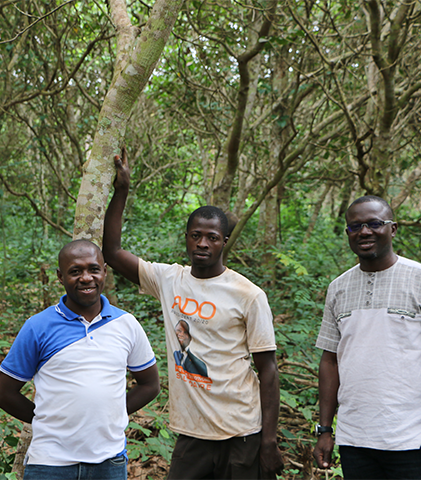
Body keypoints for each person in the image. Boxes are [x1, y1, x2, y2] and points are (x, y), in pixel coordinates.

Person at [102, 148, 284, 479]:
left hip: (242, 431)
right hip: (193, 433)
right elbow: (112, 253)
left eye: (212, 238)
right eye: (196, 235)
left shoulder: (248, 294)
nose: (202, 243)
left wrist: (268, 442)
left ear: (224, 242)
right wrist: (122, 190)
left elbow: (268, 371)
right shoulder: (168, 279)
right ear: (186, 239)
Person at [313, 195, 421, 479]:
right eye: (355, 226)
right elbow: (330, 361)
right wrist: (325, 430)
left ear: (393, 229)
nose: (364, 232)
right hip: (354, 440)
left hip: (413, 439)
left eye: (374, 223)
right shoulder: (338, 288)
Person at [0, 239, 160, 480]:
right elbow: (3, 394)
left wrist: (111, 413)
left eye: (93, 269)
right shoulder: (38, 327)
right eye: (75, 271)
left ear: (104, 271)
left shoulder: (127, 325)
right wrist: (48, 420)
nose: (86, 278)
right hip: (49, 464)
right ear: (60, 276)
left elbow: (150, 385)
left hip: (109, 462)